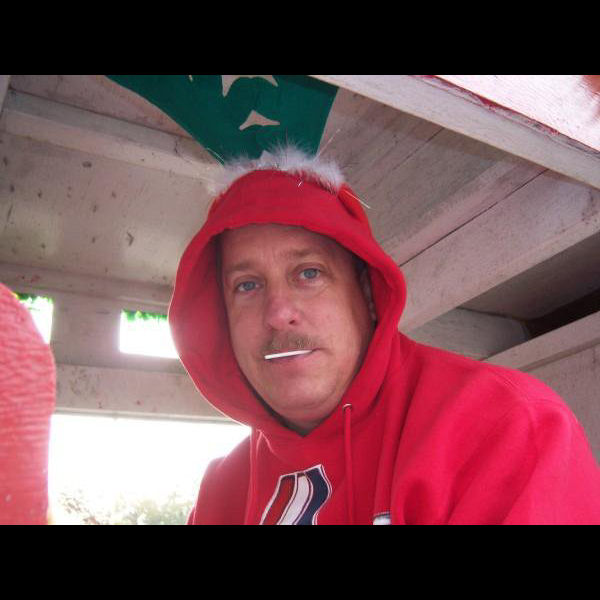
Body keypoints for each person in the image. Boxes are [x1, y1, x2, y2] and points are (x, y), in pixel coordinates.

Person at [168, 145, 600, 525]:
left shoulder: (504, 425)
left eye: (309, 273)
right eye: (247, 285)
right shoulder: (222, 491)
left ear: (368, 297)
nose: (279, 313)